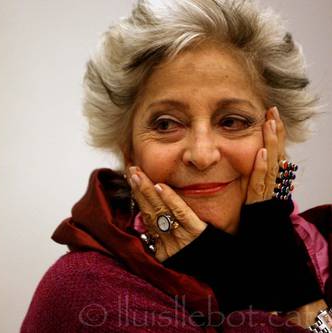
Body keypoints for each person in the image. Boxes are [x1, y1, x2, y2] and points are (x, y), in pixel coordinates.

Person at [21, 0, 332, 331]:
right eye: (166, 124)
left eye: (232, 121)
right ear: (128, 149)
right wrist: (238, 283)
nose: (201, 154)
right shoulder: (86, 289)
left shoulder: (322, 244)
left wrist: (286, 272)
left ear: (277, 136)